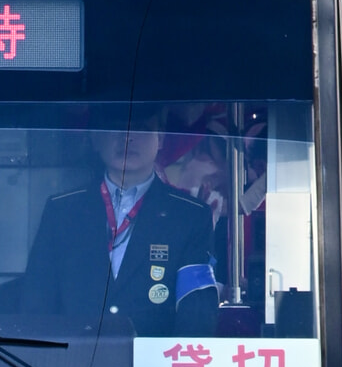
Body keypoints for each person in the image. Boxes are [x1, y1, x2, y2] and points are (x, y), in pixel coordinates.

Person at [17, 114, 215, 333]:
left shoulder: (189, 215)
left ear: (160, 139)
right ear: (95, 139)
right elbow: (37, 298)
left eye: (141, 128)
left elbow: (196, 309)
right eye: (115, 128)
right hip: (75, 350)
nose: (127, 137)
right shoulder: (62, 209)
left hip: (153, 352)